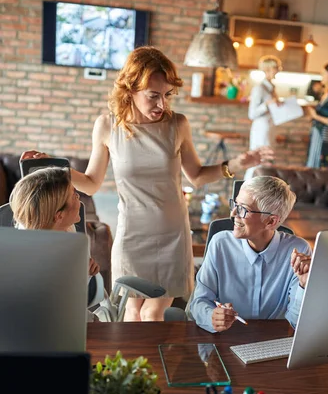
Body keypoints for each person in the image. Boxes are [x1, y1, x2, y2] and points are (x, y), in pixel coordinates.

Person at [21, 46, 274, 322]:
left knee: (154, 312)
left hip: (172, 233)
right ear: (130, 89)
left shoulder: (178, 124)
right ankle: (131, 367)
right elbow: (92, 183)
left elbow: (198, 175)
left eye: (167, 95)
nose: (162, 105)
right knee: (131, 311)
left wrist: (235, 164)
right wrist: (55, 167)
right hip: (132, 233)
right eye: (153, 96)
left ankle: (148, 366)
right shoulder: (107, 126)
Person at [190, 176, 312, 333]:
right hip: (226, 337)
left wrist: (304, 285)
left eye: (243, 209)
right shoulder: (220, 244)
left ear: (270, 222)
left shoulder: (298, 250)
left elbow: (295, 324)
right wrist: (212, 316)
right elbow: (199, 302)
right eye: (235, 205)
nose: (233, 213)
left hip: (271, 343)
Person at [9, 166, 100, 276]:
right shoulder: (34, 261)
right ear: (59, 215)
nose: (78, 196)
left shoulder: (66, 227)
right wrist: (81, 276)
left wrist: (87, 273)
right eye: (73, 196)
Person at [245, 55, 282, 180]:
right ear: (267, 69)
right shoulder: (259, 88)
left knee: (266, 161)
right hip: (261, 130)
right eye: (275, 68)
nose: (278, 70)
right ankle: (247, 190)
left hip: (270, 129)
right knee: (257, 161)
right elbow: (252, 114)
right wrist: (267, 104)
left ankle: (260, 193)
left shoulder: (271, 88)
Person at [306, 63, 328, 168]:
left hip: (322, 138)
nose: (322, 75)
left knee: (317, 169)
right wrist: (313, 117)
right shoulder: (325, 94)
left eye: (324, 73)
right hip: (316, 134)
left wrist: (316, 116)